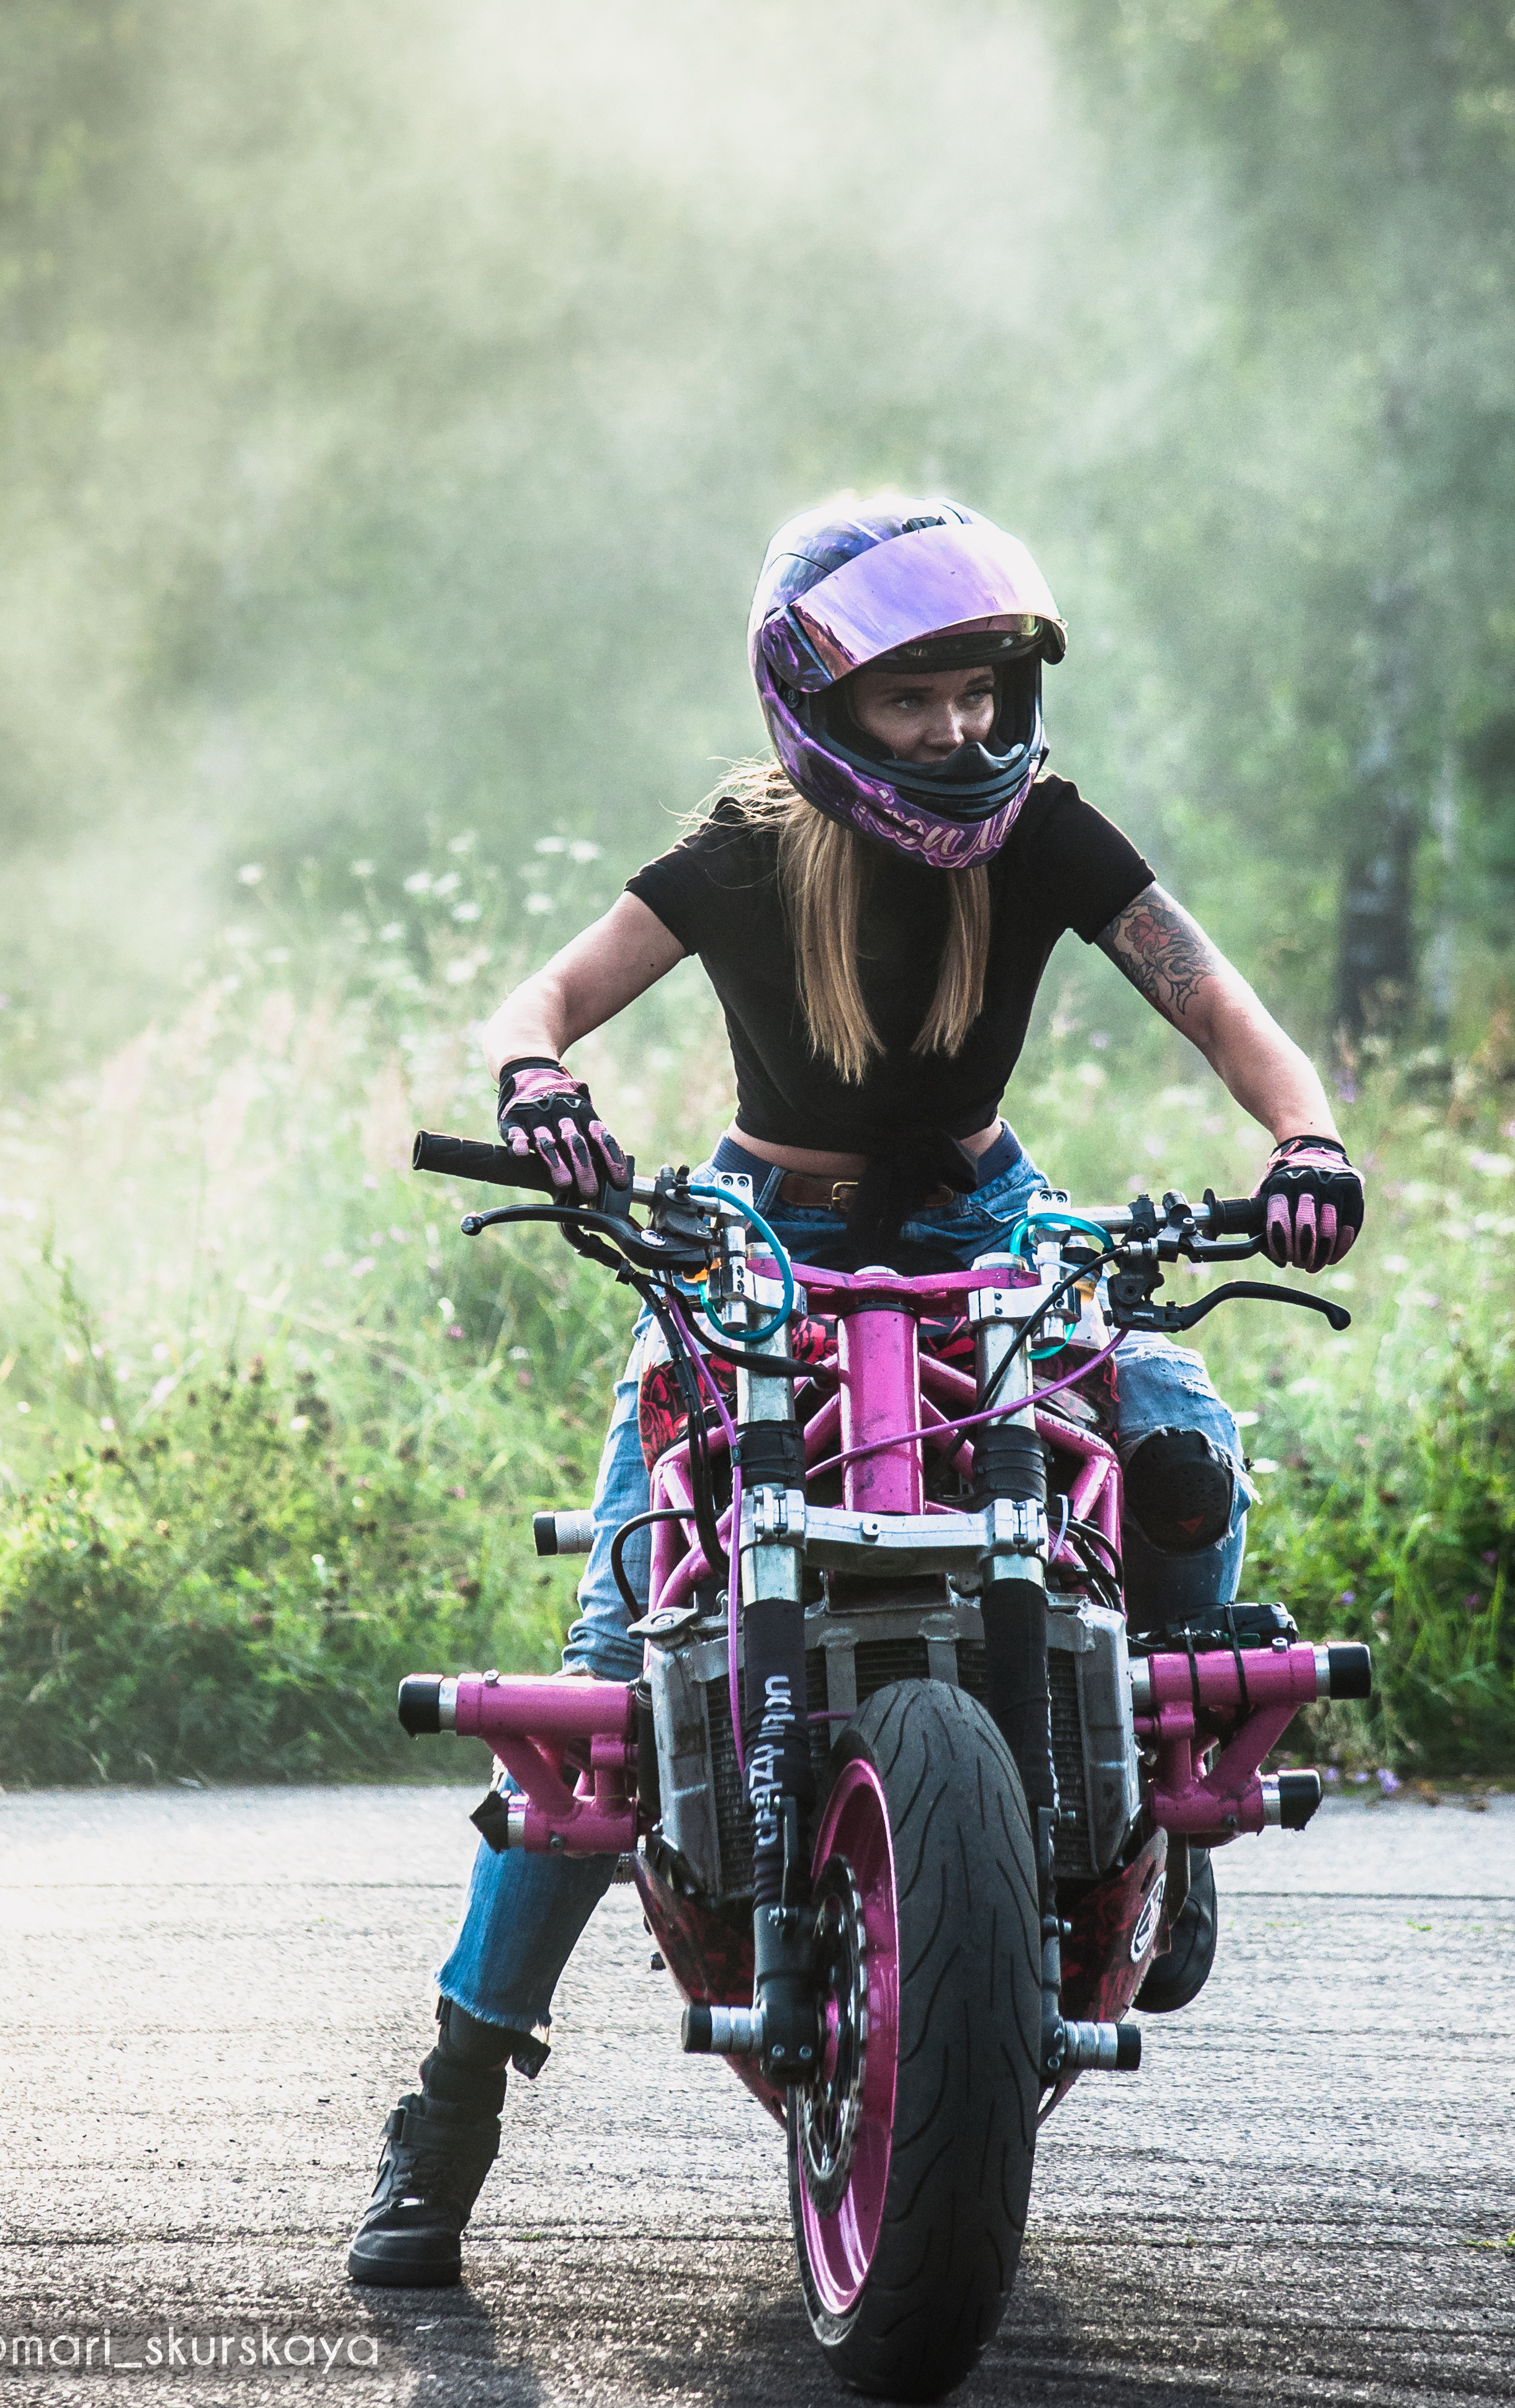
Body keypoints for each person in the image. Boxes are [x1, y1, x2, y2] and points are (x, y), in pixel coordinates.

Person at [348, 495, 1364, 2287]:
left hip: (989, 1220)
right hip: (755, 1242)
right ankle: (448, 2115)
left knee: (1175, 1440)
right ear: (816, 698)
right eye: (918, 703)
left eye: (981, 693)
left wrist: (1307, 1134)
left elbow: (1224, 1008)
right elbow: (550, 993)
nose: (961, 731)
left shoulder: (1042, 834)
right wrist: (539, 1084)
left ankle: (1166, 1793)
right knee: (610, 1668)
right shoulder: (743, 851)